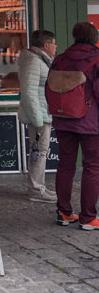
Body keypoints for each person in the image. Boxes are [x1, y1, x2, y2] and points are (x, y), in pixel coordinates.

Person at [52, 22, 99, 230]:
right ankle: (88, 217)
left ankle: (64, 212)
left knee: (65, 165)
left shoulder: (60, 58)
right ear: (94, 37)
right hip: (91, 121)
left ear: (74, 36)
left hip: (63, 119)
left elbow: (50, 88)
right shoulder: (96, 58)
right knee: (92, 167)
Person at [17, 29, 57, 203]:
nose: (56, 47)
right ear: (46, 45)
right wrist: (38, 120)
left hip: (42, 112)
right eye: (54, 43)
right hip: (39, 115)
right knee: (38, 151)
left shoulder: (40, 60)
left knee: (39, 150)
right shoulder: (34, 61)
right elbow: (28, 92)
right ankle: (36, 189)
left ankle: (38, 186)